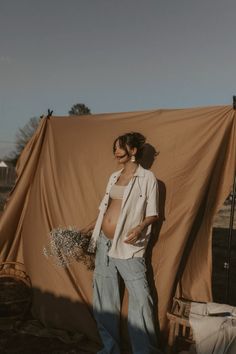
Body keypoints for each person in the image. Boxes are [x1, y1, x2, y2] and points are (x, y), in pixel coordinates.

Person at [81, 132, 162, 354]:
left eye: (120, 147)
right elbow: (104, 210)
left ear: (133, 150)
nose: (116, 152)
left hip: (128, 245)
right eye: (114, 148)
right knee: (105, 300)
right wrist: (88, 229)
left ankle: (144, 351)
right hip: (105, 244)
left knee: (141, 300)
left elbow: (153, 214)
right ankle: (110, 349)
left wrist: (140, 227)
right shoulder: (114, 176)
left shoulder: (148, 179)